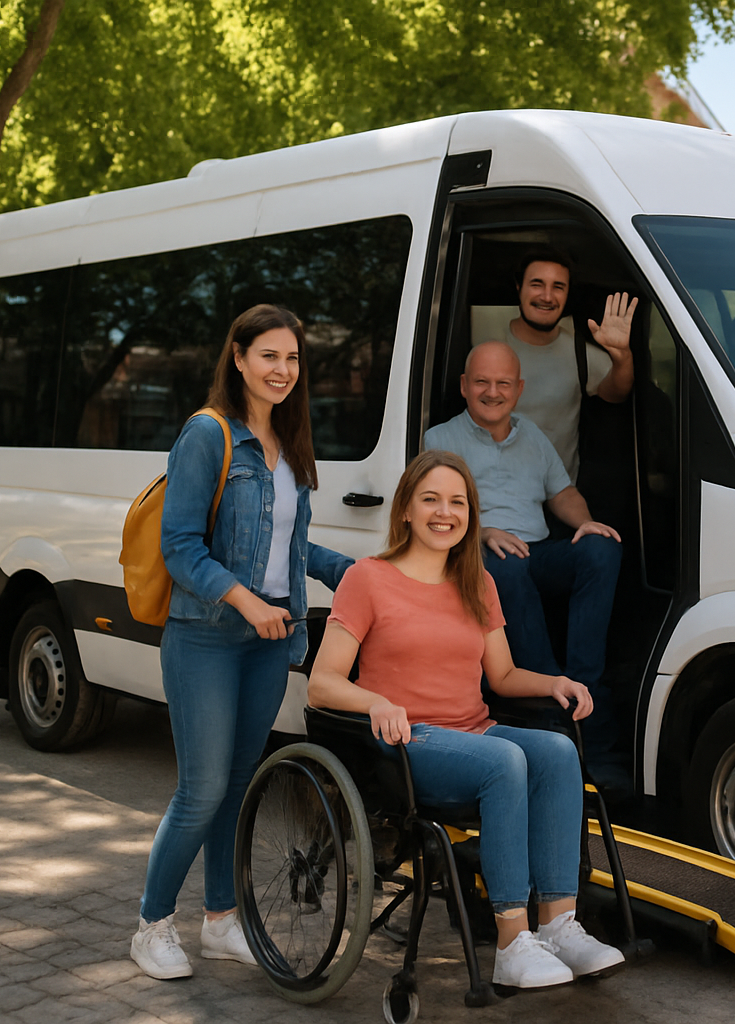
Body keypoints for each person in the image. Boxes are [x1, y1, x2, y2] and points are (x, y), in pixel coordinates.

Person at [307, 449, 627, 989]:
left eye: (457, 502)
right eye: (430, 499)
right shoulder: (369, 578)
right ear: (406, 509)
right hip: (409, 741)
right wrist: (377, 702)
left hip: (474, 731)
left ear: (471, 515)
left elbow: (500, 677)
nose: (444, 512)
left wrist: (554, 683)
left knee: (557, 750)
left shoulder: (478, 582)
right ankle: (510, 941)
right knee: (505, 760)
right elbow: (323, 682)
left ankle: (559, 926)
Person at [130, 304, 354, 980]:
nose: (282, 370)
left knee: (235, 788)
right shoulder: (208, 434)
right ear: (238, 357)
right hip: (206, 639)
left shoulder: (289, 443)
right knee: (199, 791)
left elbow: (287, 541)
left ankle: (221, 920)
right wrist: (243, 599)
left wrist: (354, 572)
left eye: (292, 359)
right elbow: (181, 547)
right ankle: (151, 925)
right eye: (269, 356)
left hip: (270, 641)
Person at [424, 342, 622, 762]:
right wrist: (481, 532)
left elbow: (563, 492)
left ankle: (584, 683)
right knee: (506, 567)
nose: (492, 392)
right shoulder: (440, 440)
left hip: (537, 551)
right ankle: (553, 701)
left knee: (601, 548)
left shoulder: (531, 434)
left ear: (519, 388)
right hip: (478, 556)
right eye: (481, 382)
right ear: (464, 386)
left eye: (503, 383)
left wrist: (584, 522)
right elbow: (432, 514)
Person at [493, 248, 636, 482]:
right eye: (537, 284)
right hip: (497, 497)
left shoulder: (579, 353)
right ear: (519, 288)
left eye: (558, 287)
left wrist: (622, 355)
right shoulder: (488, 347)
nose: (547, 297)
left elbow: (617, 393)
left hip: (560, 499)